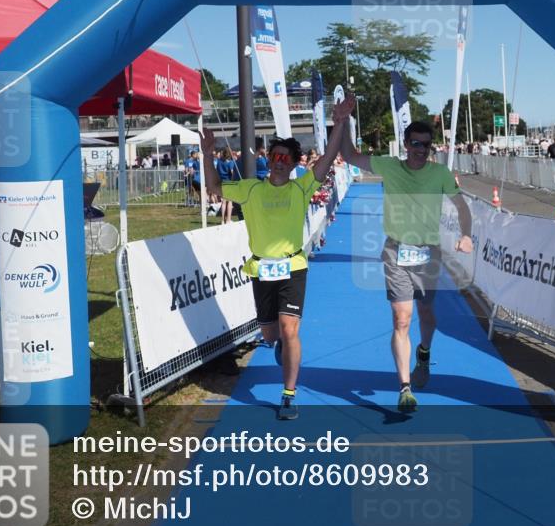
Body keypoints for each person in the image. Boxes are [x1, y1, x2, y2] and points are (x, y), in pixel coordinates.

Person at [200, 98, 354, 420]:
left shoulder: (302, 187)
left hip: (293, 267)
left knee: (290, 328)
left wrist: (339, 122)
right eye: (276, 157)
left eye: (286, 158)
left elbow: (328, 158)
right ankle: (281, 344)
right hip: (261, 269)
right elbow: (213, 186)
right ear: (269, 160)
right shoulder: (250, 189)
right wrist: (208, 154)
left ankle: (288, 395)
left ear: (295, 163)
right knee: (271, 335)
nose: (280, 162)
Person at [340, 112, 474, 413]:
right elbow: (349, 155)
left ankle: (424, 353)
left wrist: (466, 235)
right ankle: (405, 388)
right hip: (396, 252)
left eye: (426, 145)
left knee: (426, 313)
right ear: (406, 144)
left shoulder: (440, 173)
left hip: (428, 254)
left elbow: (462, 207)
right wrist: (343, 121)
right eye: (416, 144)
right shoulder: (389, 166)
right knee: (402, 318)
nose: (421, 150)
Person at [215, 149, 238, 223]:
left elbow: (217, 172)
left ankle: (222, 220)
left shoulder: (219, 162)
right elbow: (232, 172)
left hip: (222, 182)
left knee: (223, 202)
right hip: (229, 182)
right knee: (230, 201)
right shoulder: (230, 162)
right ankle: (228, 219)